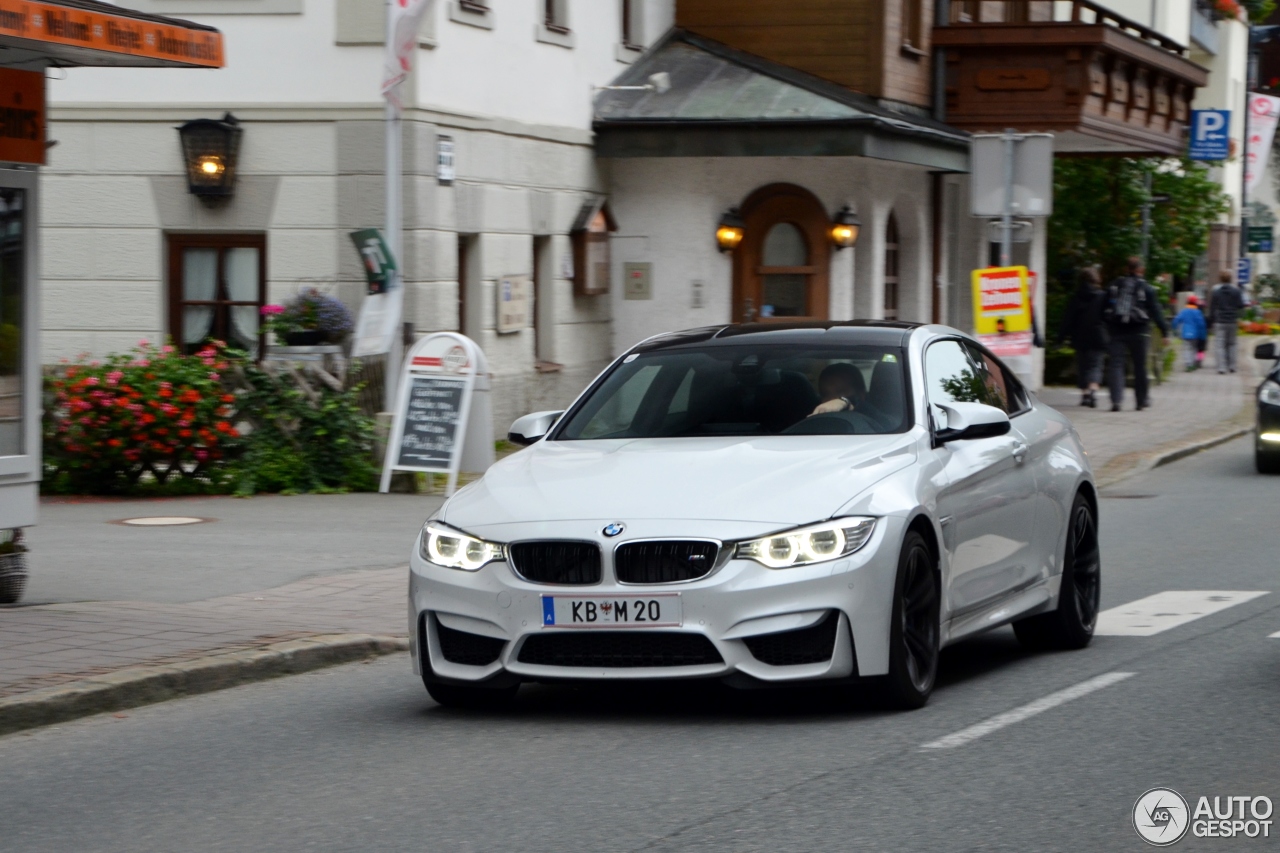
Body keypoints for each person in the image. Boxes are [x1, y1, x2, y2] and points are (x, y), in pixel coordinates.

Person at [1103, 257, 1169, 412]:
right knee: (1140, 366)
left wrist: (1107, 325)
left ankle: (1116, 401)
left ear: (1126, 269)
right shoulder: (1146, 288)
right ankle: (1141, 401)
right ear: (1141, 270)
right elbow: (1156, 311)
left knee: (1116, 365)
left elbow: (1104, 307)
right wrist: (1165, 331)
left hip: (1117, 330)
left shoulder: (1115, 285)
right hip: (1139, 331)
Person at [1058, 267, 1108, 408]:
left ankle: (1085, 394)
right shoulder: (1102, 296)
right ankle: (1093, 391)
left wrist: (1060, 338)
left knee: (1083, 366)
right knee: (1096, 365)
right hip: (1098, 336)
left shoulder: (1076, 297)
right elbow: (1107, 317)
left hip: (1080, 336)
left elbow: (1068, 319)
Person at [1208, 269, 1244, 374]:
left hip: (1220, 321)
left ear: (1220, 279)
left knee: (1220, 344)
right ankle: (1232, 366)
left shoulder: (1216, 292)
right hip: (1232, 320)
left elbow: (1212, 308)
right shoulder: (1236, 291)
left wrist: (1210, 321)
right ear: (1231, 279)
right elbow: (1240, 305)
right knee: (1232, 344)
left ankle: (1221, 367)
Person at [1172, 295, 1207, 372]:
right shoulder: (1198, 312)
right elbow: (1201, 324)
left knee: (1186, 349)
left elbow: (1177, 320)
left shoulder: (1184, 311)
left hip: (1185, 333)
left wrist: (1174, 329)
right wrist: (1203, 335)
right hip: (1196, 334)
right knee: (1194, 348)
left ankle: (1188, 364)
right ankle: (1193, 363)